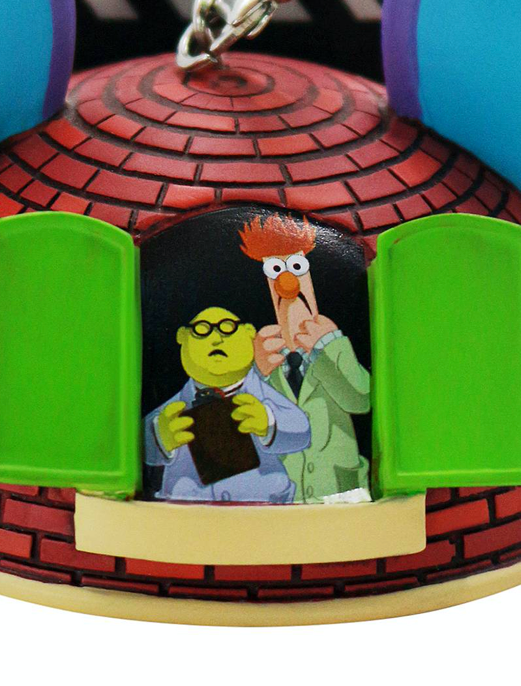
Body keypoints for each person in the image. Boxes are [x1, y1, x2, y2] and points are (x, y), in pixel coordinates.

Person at [239, 214, 371, 503]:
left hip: (340, 491)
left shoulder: (334, 346)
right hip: (282, 496)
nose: (287, 283)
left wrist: (329, 348)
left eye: (296, 267)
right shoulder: (262, 356)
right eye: (275, 270)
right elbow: (240, 428)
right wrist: (256, 374)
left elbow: (360, 399)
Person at [143, 305, 310, 503]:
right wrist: (159, 437)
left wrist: (269, 423)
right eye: (202, 329)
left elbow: (302, 432)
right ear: (182, 336)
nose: (216, 338)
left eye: (228, 327)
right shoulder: (176, 406)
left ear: (249, 333)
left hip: (262, 501)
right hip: (190, 503)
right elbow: (138, 445)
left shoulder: (261, 395)